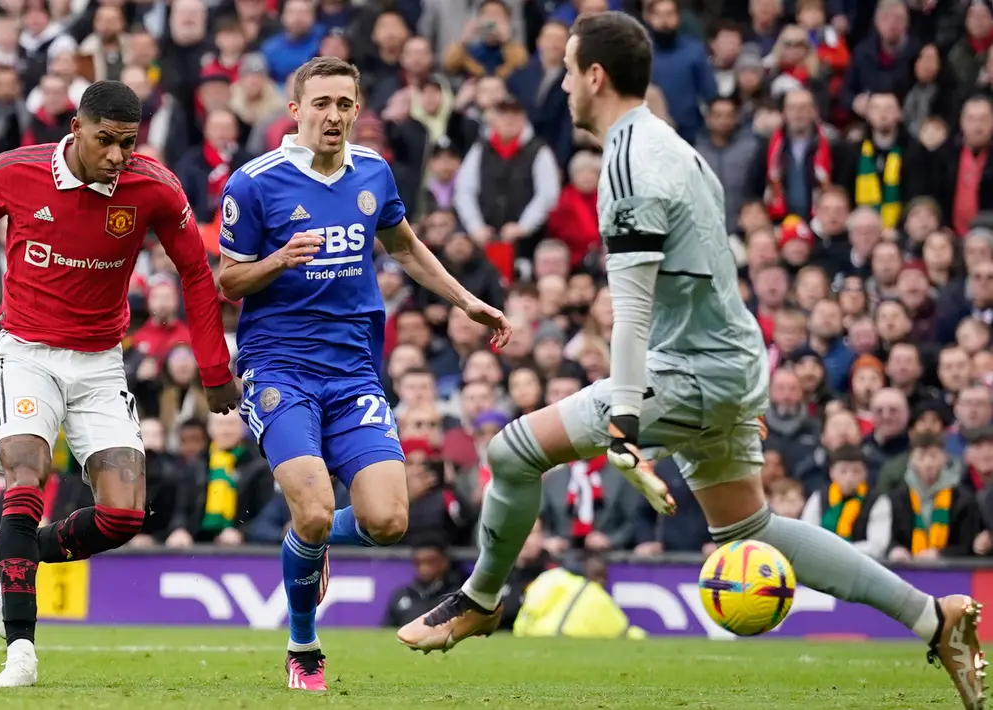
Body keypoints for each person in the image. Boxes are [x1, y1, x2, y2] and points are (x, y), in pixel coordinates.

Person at [396, 13, 985, 710]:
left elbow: (633, 306)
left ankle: (480, 599)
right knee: (750, 530)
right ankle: (931, 616)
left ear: (594, 76)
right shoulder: (677, 148)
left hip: (687, 371)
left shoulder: (626, 159)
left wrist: (621, 417)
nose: (559, 86)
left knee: (510, 451)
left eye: (566, 71)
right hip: (730, 362)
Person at [0, 80, 239, 688]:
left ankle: (13, 553)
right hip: (27, 352)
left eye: (127, 144)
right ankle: (21, 653)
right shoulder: (16, 171)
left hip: (102, 361)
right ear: (75, 128)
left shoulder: (155, 187)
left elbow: (194, 271)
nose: (116, 156)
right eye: (106, 141)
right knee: (27, 473)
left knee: (122, 515)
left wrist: (214, 369)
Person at [216, 56, 510, 692]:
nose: (333, 116)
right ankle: (303, 646)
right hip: (279, 368)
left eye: (344, 104)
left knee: (387, 521)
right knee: (315, 509)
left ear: (357, 110)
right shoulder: (254, 183)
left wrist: (464, 300)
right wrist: (277, 261)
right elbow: (225, 278)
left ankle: (308, 546)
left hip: (353, 373)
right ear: (295, 110)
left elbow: (403, 245)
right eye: (320, 103)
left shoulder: (373, 170)